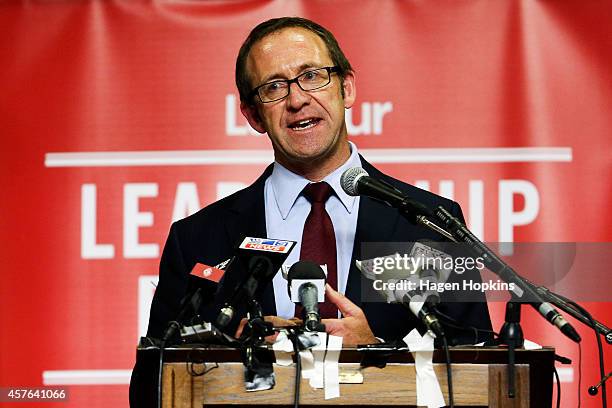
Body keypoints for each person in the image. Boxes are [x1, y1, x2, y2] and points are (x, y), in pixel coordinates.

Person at [131, 16, 492, 406]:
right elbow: (153, 385)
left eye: (312, 76)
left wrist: (374, 350)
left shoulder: (427, 224)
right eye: (273, 87)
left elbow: (477, 371)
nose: (297, 99)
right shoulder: (199, 239)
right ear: (253, 115)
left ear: (347, 88)